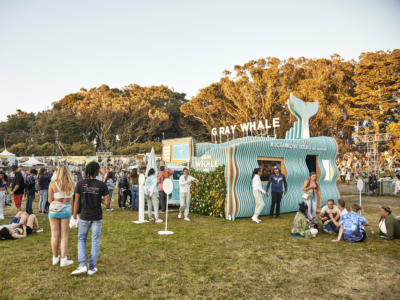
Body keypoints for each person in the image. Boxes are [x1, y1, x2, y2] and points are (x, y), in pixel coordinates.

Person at [71, 162, 110, 276]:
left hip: (84, 216)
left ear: (86, 171)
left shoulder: (80, 183)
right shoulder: (102, 185)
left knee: (82, 239)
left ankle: (82, 265)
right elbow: (107, 202)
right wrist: (98, 198)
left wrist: (74, 216)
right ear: (97, 171)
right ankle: (91, 268)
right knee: (95, 241)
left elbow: (77, 201)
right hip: (97, 216)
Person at [48, 166, 75, 267]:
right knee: (64, 235)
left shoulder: (52, 183)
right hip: (66, 210)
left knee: (54, 235)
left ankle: (55, 258)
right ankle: (64, 259)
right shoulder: (71, 184)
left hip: (54, 210)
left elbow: (50, 200)